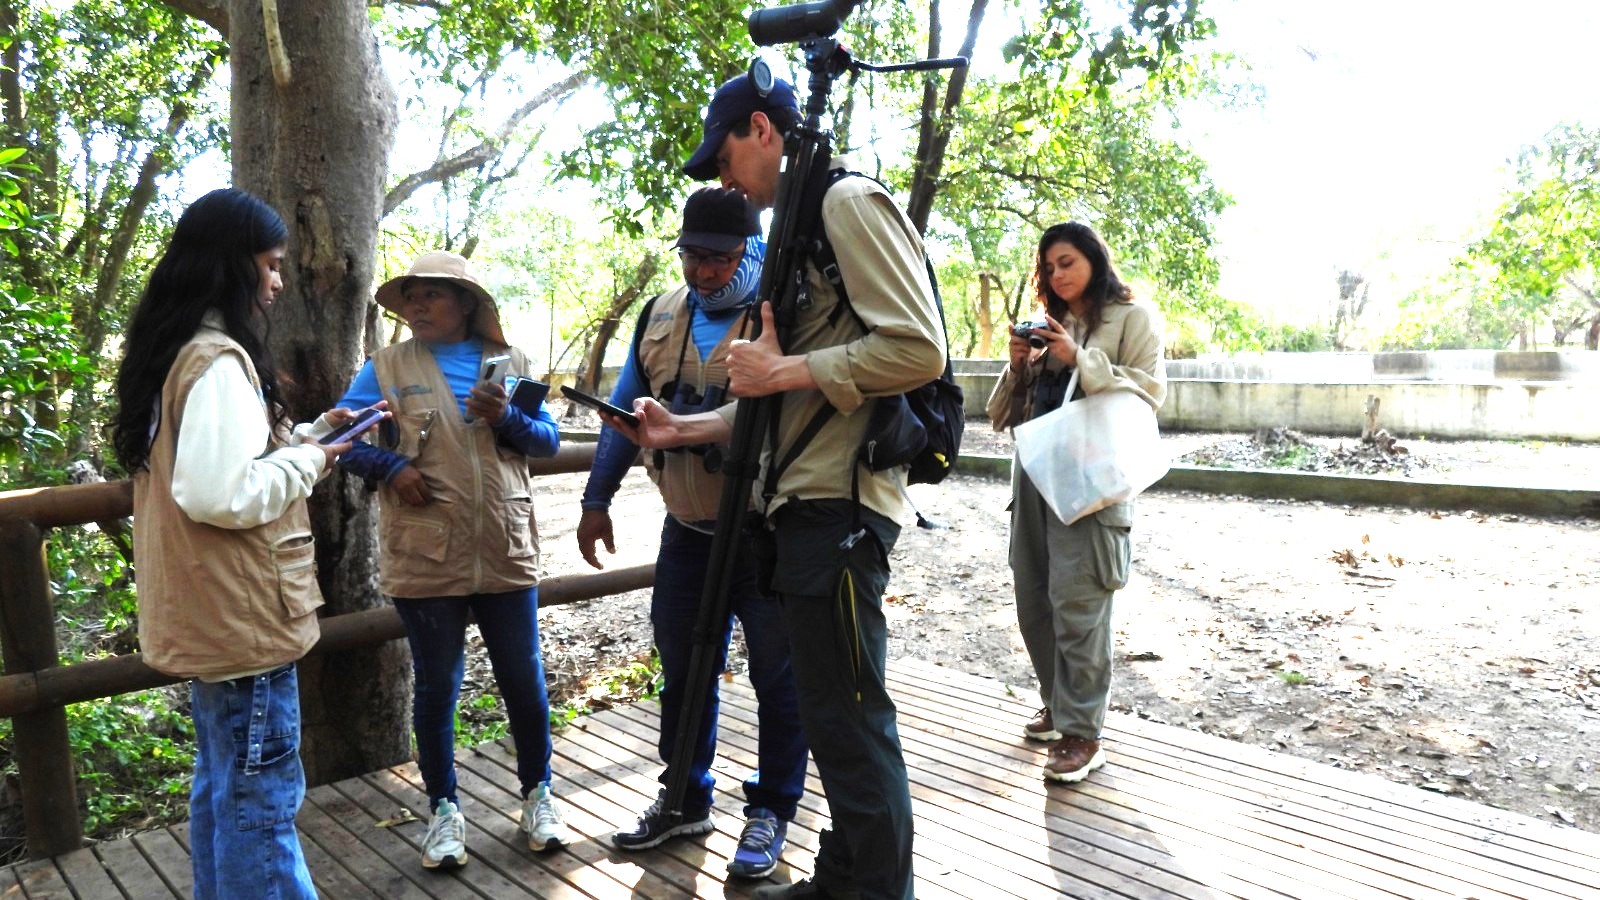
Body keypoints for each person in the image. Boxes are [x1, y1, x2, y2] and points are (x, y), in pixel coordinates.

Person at [606, 74, 946, 900]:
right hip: (797, 504)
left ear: (762, 128)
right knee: (832, 716)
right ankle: (843, 879)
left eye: (724, 156)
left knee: (854, 718)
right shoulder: (799, 230)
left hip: (840, 505)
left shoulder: (846, 202)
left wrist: (784, 365)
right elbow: (774, 405)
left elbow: (919, 349)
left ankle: (875, 891)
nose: (724, 180)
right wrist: (677, 431)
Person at [111, 187, 375, 900]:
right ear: (236, 266)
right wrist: (313, 462)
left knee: (225, 787)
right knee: (261, 804)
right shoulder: (218, 361)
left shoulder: (177, 353)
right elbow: (218, 494)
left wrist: (314, 435)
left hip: (214, 616)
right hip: (244, 618)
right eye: (272, 264)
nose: (279, 280)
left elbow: (221, 464)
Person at [578, 187, 807, 878]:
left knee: (778, 677)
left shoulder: (781, 316)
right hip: (686, 532)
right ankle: (682, 798)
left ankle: (772, 810)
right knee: (683, 671)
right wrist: (596, 498)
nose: (702, 271)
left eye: (718, 258)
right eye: (691, 255)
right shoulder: (659, 315)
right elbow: (624, 415)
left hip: (763, 536)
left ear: (751, 252)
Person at [330, 250, 570, 871]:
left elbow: (546, 441)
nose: (417, 305)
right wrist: (392, 466)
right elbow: (343, 442)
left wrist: (510, 416)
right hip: (426, 548)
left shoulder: (511, 364)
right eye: (410, 295)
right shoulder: (385, 367)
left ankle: (539, 794)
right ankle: (443, 809)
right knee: (438, 686)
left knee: (524, 677)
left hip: (503, 546)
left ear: (466, 303)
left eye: (432, 294)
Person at [985, 221, 1166, 784]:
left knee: (1079, 606)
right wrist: (1020, 363)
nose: (1057, 274)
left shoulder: (1131, 318)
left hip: (1093, 489)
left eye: (1067, 262)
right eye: (1048, 266)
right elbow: (999, 417)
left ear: (1093, 259)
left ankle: (1083, 732)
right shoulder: (1047, 324)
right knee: (1034, 600)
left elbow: (1149, 394)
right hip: (1035, 485)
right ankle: (1057, 704)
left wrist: (1080, 357)